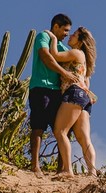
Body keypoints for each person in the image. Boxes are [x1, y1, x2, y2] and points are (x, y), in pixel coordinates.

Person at [27, 13, 77, 174]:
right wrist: (64, 72)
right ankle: (35, 166)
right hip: (40, 88)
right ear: (56, 26)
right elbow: (46, 57)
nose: (66, 34)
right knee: (38, 127)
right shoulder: (43, 36)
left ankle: (61, 169)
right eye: (65, 30)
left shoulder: (61, 46)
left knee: (64, 130)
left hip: (57, 92)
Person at [50, 26, 97, 177]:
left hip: (74, 93)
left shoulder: (76, 52)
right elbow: (87, 83)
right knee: (84, 138)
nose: (70, 36)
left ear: (81, 41)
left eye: (74, 35)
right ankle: (92, 171)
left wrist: (53, 38)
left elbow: (55, 55)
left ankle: (67, 170)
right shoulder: (85, 62)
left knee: (60, 131)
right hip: (84, 96)